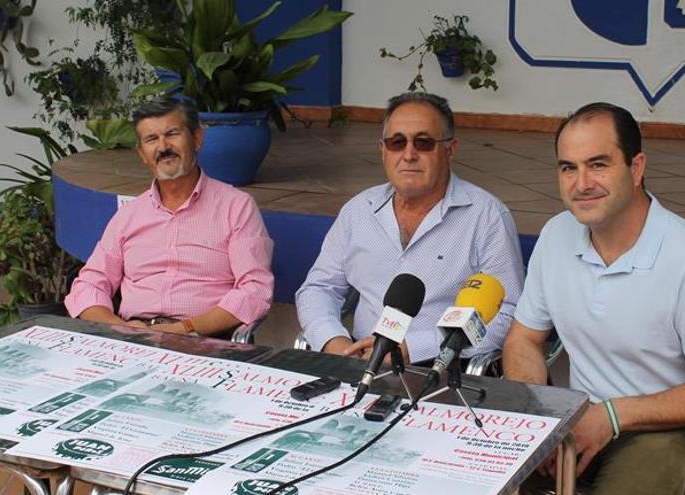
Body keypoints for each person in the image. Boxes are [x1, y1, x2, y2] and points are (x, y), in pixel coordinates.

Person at [502, 102, 685, 494]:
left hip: (664, 430)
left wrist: (611, 416)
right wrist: (541, 418)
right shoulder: (555, 235)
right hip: (576, 415)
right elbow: (523, 339)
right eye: (568, 168)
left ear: (636, 168)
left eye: (598, 165)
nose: (581, 183)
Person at [296, 92, 524, 364]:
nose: (409, 154)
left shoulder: (486, 216)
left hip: (442, 367)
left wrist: (414, 348)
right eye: (397, 142)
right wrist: (333, 340)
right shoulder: (358, 211)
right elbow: (318, 288)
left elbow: (507, 313)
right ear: (383, 149)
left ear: (450, 149)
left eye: (424, 142)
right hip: (357, 359)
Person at [64, 97, 274, 336]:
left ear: (197, 139)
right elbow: (89, 285)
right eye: (151, 139)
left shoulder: (236, 207)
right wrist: (119, 328)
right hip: (133, 338)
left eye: (172, 134)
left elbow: (255, 291)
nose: (163, 147)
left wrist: (185, 329)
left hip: (203, 340)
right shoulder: (129, 216)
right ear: (142, 153)